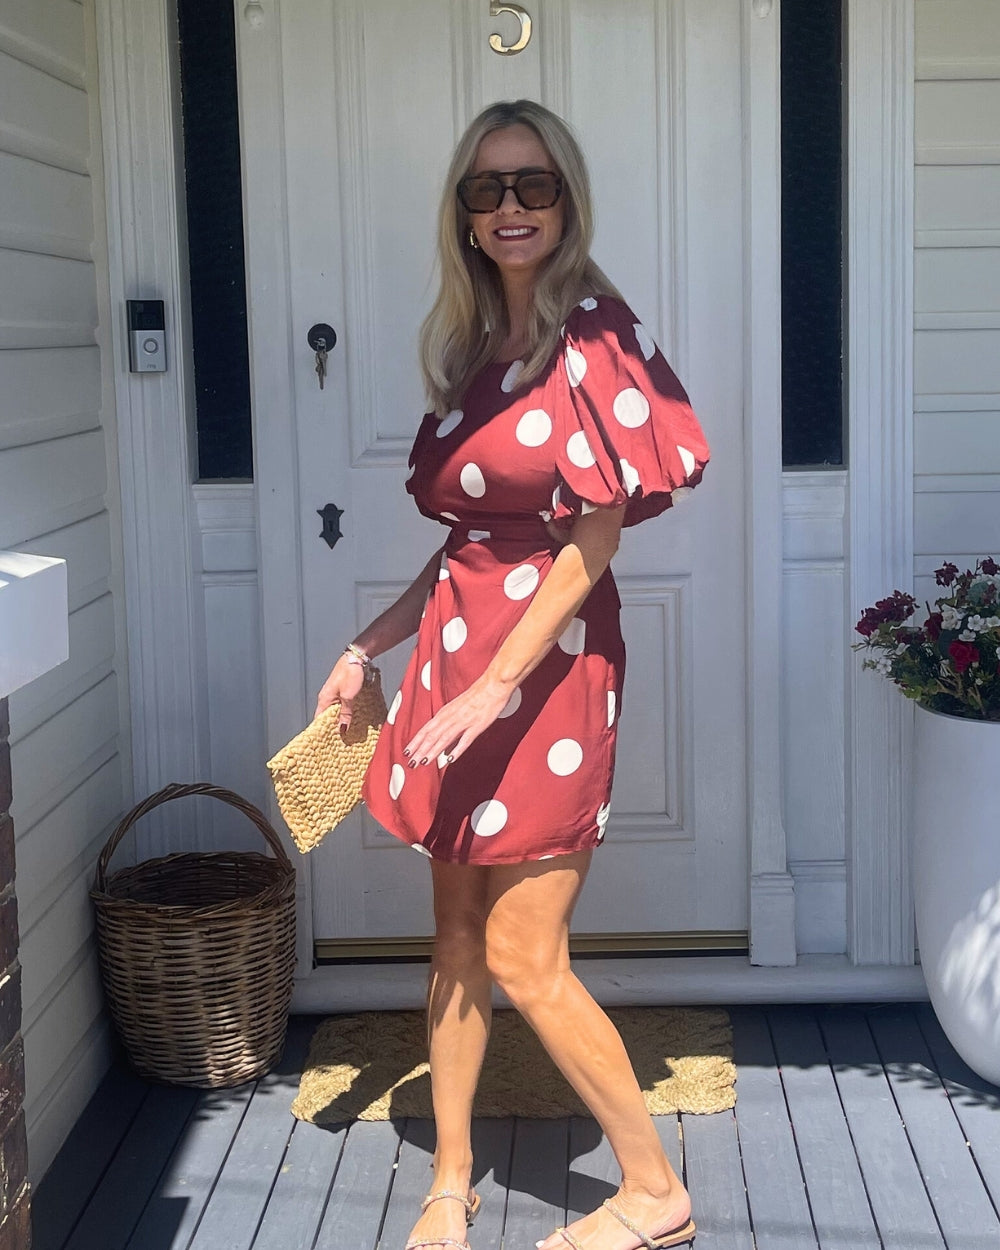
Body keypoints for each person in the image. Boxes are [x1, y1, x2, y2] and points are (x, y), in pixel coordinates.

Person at [315, 99, 709, 1250]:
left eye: (532, 183)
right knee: (451, 935)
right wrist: (365, 646)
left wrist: (496, 683)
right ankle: (450, 1177)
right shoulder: (477, 341)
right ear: (463, 213)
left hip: (543, 671)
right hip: (456, 656)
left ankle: (653, 1191)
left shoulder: (593, 333)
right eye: (485, 189)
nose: (510, 208)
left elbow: (593, 538)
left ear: (566, 197)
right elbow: (465, 545)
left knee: (525, 954)